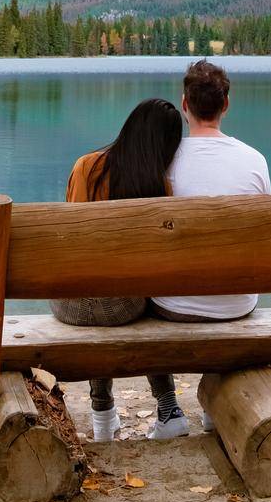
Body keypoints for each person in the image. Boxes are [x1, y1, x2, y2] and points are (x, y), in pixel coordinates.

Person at [51, 98, 191, 443]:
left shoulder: (87, 167)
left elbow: (70, 243)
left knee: (94, 284)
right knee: (151, 300)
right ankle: (169, 407)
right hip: (124, 308)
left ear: (129, 129)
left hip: (70, 305)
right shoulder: (161, 187)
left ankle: (102, 417)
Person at [151, 58, 271, 324]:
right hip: (236, 304)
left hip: (173, 304)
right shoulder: (255, 161)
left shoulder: (164, 160)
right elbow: (264, 234)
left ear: (184, 105)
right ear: (226, 105)